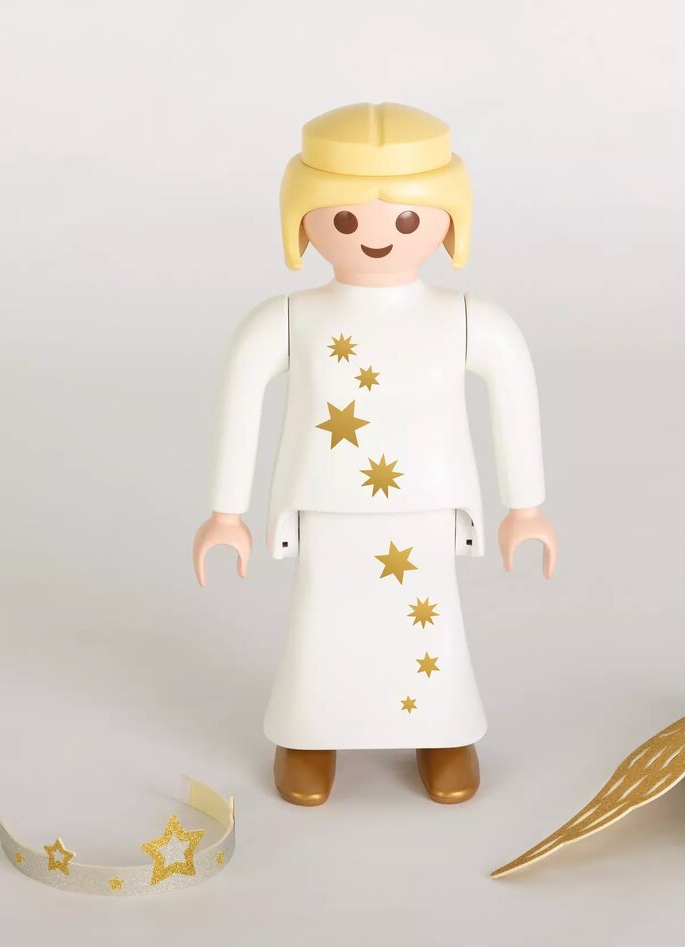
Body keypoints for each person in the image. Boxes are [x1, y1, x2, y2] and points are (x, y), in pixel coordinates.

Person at [193, 103, 556, 806]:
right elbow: (239, 397)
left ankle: (444, 731)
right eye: (347, 219)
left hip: (427, 505)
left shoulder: (468, 319)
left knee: (430, 620)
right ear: (303, 221)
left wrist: (526, 507)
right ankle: (308, 736)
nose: (378, 237)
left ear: (448, 219)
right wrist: (224, 514)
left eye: (407, 220)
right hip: (327, 505)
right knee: (324, 619)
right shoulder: (290, 319)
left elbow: (514, 395)